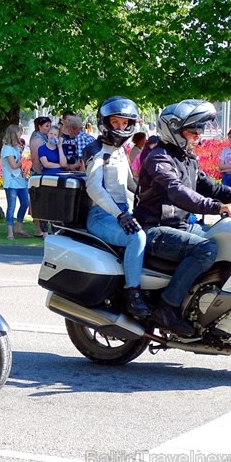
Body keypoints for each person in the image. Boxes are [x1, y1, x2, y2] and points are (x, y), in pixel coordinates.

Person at [134, 100, 231, 337]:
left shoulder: (186, 158)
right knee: (206, 250)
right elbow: (177, 192)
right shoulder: (159, 158)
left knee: (230, 240)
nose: (198, 136)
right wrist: (219, 208)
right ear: (175, 131)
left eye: (199, 131)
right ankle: (167, 307)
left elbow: (211, 187)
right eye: (192, 131)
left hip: (178, 227)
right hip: (153, 229)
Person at [85, 97, 149, 317]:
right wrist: (120, 214)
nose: (120, 128)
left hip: (121, 213)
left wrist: (155, 193)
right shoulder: (96, 150)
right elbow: (94, 188)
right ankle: (132, 293)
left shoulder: (120, 150)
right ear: (105, 122)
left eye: (125, 123)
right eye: (115, 122)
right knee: (136, 237)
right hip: (101, 215)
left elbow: (130, 184)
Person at [0, 124, 30, 239]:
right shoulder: (7, 149)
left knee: (25, 203)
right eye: (19, 133)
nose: (20, 134)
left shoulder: (15, 148)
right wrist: (21, 164)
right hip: (11, 182)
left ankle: (19, 227)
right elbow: (13, 165)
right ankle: (10, 232)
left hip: (20, 181)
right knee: (11, 206)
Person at [29, 116, 52, 237]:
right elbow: (35, 159)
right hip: (39, 174)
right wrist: (39, 175)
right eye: (46, 126)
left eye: (50, 125)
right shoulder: (37, 139)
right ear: (39, 127)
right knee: (38, 202)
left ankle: (41, 229)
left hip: (44, 173)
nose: (49, 128)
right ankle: (39, 230)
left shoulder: (44, 137)